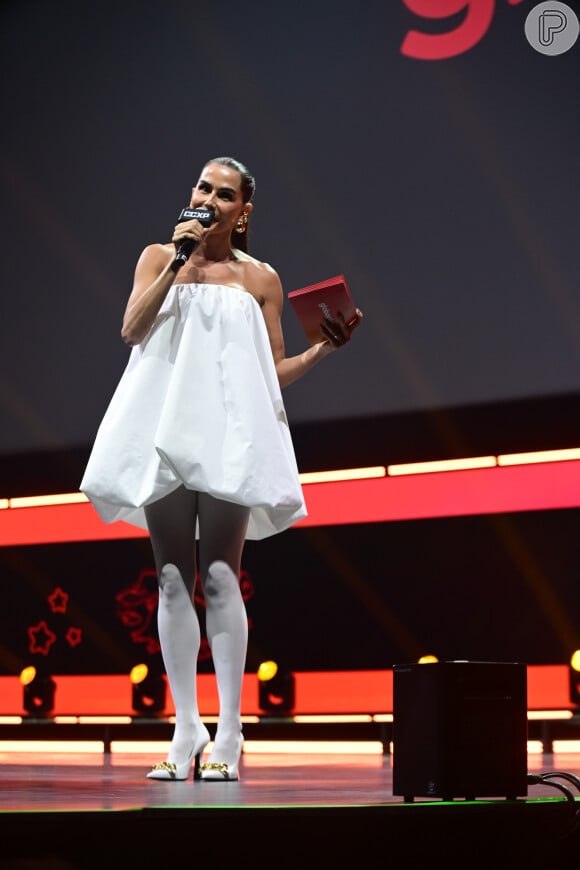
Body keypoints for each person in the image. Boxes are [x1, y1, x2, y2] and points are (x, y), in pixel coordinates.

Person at [80, 156, 363, 782]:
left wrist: (323, 348)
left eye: (224, 193)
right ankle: (186, 729)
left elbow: (272, 374)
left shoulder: (261, 278)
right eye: (203, 187)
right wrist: (178, 264)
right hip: (162, 426)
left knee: (218, 575)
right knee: (172, 578)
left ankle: (230, 732)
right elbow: (131, 329)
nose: (210, 198)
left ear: (244, 211)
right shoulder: (159, 256)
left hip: (229, 431)